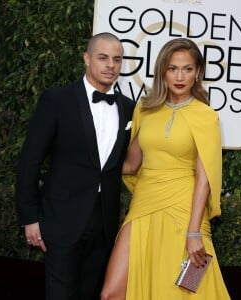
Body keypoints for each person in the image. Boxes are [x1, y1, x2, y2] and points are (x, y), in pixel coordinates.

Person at [101, 38, 230, 299]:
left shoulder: (207, 117)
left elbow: (205, 179)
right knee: (111, 293)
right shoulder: (145, 111)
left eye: (187, 69)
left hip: (186, 213)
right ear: (162, 71)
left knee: (183, 292)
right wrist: (90, 165)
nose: (180, 76)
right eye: (172, 68)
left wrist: (194, 232)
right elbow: (131, 164)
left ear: (198, 73)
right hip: (144, 206)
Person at [15, 32, 135, 300]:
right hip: (61, 218)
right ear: (86, 58)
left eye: (117, 59)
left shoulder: (128, 108)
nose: (110, 65)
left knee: (91, 294)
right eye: (103, 58)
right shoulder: (57, 100)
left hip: (104, 222)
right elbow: (29, 161)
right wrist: (29, 217)